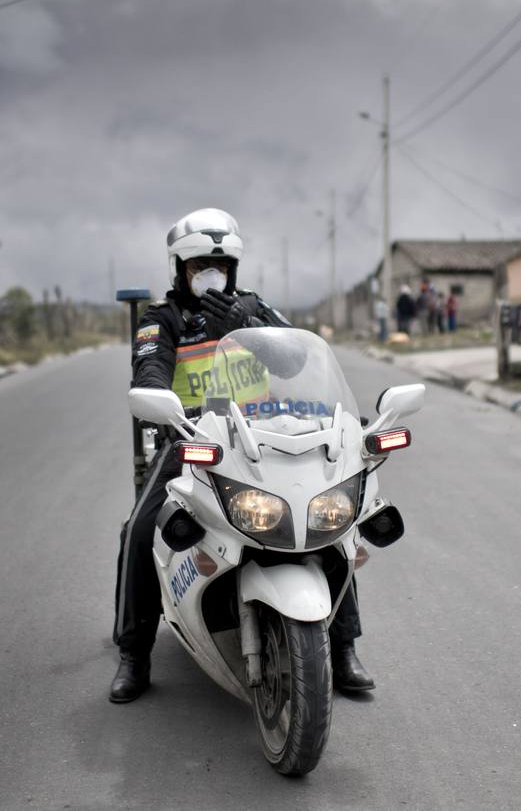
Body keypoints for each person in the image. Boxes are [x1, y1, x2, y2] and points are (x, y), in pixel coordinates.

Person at [111, 208, 375, 703]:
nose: (211, 275)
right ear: (180, 270)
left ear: (233, 269)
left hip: (267, 439)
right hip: (194, 440)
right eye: (199, 267)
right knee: (141, 529)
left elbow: (300, 358)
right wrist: (166, 410)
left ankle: (343, 647)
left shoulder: (254, 308)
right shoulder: (160, 320)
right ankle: (134, 652)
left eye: (220, 266)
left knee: (327, 517)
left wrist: (250, 321)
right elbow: (148, 375)